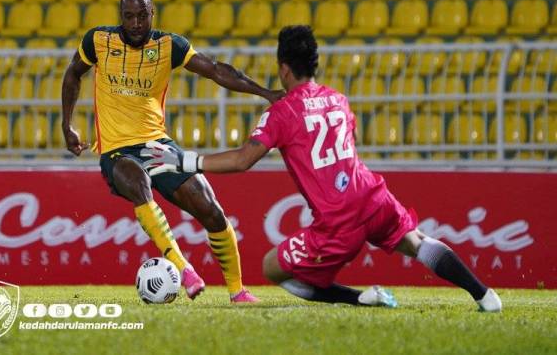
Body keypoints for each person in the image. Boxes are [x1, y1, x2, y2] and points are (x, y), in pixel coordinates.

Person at [141, 25, 503, 312]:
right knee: (417, 243)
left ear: (283, 68)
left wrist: (184, 160)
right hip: (373, 197)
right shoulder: (339, 99)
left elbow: (242, 159)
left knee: (272, 267)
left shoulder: (282, 112)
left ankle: (359, 299)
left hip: (338, 218)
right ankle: (485, 295)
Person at [61, 0, 283, 303]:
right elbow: (72, 74)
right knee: (137, 183)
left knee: (210, 210)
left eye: (142, 16)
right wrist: (67, 124)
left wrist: (265, 93)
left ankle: (238, 291)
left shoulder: (169, 46)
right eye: (128, 17)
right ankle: (183, 269)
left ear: (153, 13)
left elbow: (217, 70)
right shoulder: (97, 41)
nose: (135, 24)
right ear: (120, 16)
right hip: (117, 149)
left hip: (157, 146)